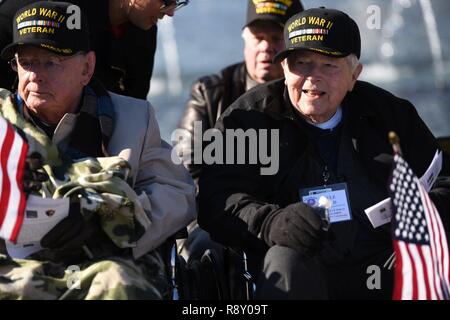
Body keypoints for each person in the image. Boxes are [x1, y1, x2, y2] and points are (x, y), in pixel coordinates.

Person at [198, 7, 450, 299]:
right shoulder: (247, 120)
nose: (312, 78)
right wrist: (270, 222)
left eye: (328, 65)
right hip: (301, 267)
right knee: (284, 262)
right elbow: (216, 201)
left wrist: (423, 210)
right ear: (284, 69)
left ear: (354, 74)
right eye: (301, 63)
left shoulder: (390, 115)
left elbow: (442, 177)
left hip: (385, 262)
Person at [0, 1, 195, 300]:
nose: (35, 75)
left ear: (88, 68)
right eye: (26, 62)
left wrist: (105, 223)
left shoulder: (133, 119)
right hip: (15, 269)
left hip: (101, 268)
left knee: (117, 281)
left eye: (51, 62)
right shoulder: (3, 124)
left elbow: (177, 193)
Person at [174, 0, 303, 265]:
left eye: (277, 38)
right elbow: (185, 176)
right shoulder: (210, 93)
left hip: (291, 217)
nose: (266, 47)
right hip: (220, 214)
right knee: (210, 250)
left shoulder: (313, 95)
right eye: (258, 38)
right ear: (246, 41)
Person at [0, 0, 188, 98]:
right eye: (167, 0)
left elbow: (135, 101)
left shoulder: (143, 28)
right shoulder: (64, 9)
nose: (170, 11)